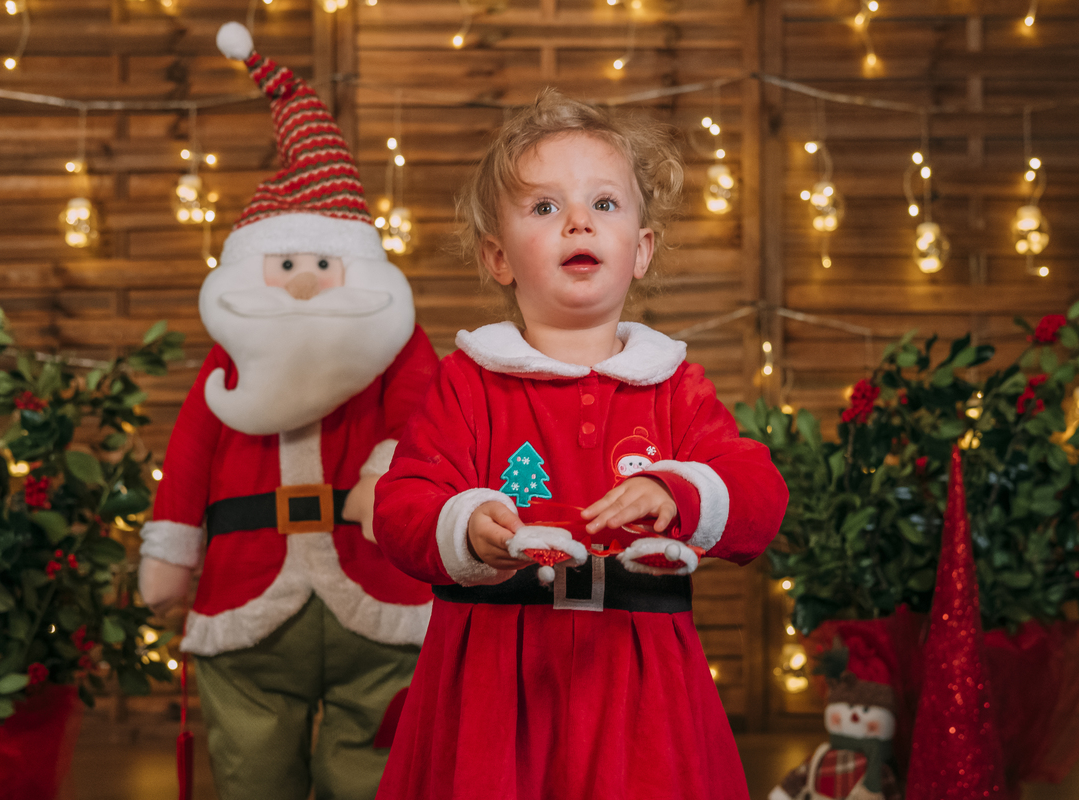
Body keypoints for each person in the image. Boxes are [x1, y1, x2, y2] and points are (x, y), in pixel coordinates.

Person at [372, 90, 790, 800]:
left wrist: (678, 489)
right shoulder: (469, 383)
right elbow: (402, 505)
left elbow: (757, 496)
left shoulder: (672, 386)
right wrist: (467, 525)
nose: (576, 222)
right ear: (498, 257)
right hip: (494, 684)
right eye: (544, 208)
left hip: (639, 679)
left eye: (604, 204)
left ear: (642, 250)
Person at [136, 22, 436, 800]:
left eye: (321, 266)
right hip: (246, 593)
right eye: (288, 266)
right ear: (254, 271)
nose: (304, 283)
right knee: (252, 769)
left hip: (377, 591)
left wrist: (385, 473)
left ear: (358, 269)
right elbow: (193, 448)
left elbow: (424, 420)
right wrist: (172, 553)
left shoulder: (399, 349)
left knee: (374, 765)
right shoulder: (227, 361)